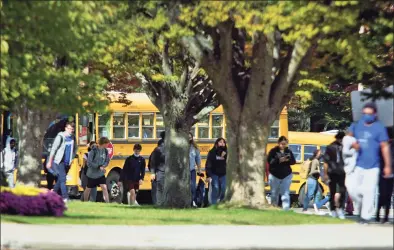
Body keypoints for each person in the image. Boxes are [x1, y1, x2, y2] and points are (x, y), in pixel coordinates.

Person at [347, 103, 392, 224]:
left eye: (369, 114)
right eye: (364, 113)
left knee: (369, 190)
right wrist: (352, 144)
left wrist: (388, 165)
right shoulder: (356, 125)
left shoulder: (379, 127)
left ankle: (365, 217)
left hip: (373, 166)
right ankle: (362, 207)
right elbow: (347, 139)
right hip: (357, 165)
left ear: (375, 114)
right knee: (353, 190)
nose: (366, 116)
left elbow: (385, 147)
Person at [46, 122, 78, 203]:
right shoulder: (60, 137)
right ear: (66, 128)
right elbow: (53, 149)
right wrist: (50, 161)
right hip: (59, 161)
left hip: (68, 162)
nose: (71, 131)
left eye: (72, 129)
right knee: (63, 179)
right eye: (70, 129)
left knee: (60, 179)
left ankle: (52, 194)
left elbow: (75, 149)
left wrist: (72, 159)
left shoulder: (73, 137)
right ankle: (65, 197)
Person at [267, 136, 296, 210]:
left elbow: (293, 162)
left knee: (285, 193)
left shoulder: (288, 151)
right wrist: (278, 160)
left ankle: (286, 208)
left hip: (286, 175)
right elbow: (269, 161)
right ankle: (274, 207)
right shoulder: (273, 151)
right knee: (274, 193)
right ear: (278, 143)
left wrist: (287, 160)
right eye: (282, 144)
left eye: (285, 144)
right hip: (275, 175)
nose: (283, 145)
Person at [323, 131, 346, 219]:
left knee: (342, 191)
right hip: (332, 171)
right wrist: (325, 174)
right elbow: (326, 161)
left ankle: (340, 208)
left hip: (342, 171)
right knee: (332, 191)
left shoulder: (345, 147)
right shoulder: (330, 147)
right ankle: (333, 210)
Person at [83, 137, 110, 203]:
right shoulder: (93, 151)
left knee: (104, 187)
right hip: (92, 174)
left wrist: (103, 166)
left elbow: (107, 161)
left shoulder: (105, 151)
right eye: (107, 144)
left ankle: (107, 202)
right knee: (88, 188)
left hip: (100, 174)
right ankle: (85, 201)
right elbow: (89, 163)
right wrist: (98, 166)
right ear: (103, 143)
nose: (108, 145)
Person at [376, 130, 394, 224]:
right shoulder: (382, 146)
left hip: (391, 173)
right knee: (383, 194)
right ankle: (378, 213)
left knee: (388, 195)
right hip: (382, 173)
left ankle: (385, 216)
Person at [206, 137, 227, 205]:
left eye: (223, 142)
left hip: (223, 173)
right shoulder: (212, 152)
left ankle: (221, 203)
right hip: (214, 173)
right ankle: (214, 204)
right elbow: (208, 164)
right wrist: (208, 175)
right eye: (220, 142)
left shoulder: (226, 152)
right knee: (216, 188)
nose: (222, 143)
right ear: (217, 143)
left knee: (224, 188)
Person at [150, 131, 166, 206]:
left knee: (159, 188)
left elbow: (152, 162)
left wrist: (153, 172)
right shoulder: (159, 149)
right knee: (160, 188)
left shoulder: (157, 149)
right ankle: (160, 203)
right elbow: (152, 161)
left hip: (160, 170)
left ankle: (159, 203)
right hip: (161, 171)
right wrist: (153, 172)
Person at [189, 132, 202, 207]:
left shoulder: (194, 147)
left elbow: (198, 159)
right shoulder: (181, 147)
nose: (189, 139)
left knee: (193, 186)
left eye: (190, 137)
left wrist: (199, 169)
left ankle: (193, 201)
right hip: (182, 171)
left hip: (192, 170)